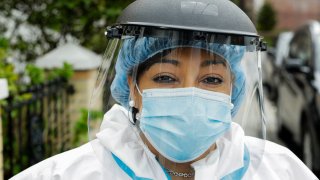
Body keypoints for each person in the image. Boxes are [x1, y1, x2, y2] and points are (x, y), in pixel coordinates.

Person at [11, 0, 318, 179]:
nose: (190, 94)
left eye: (211, 79)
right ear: (132, 86)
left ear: (233, 90)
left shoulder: (280, 171)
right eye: (166, 78)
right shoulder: (64, 175)